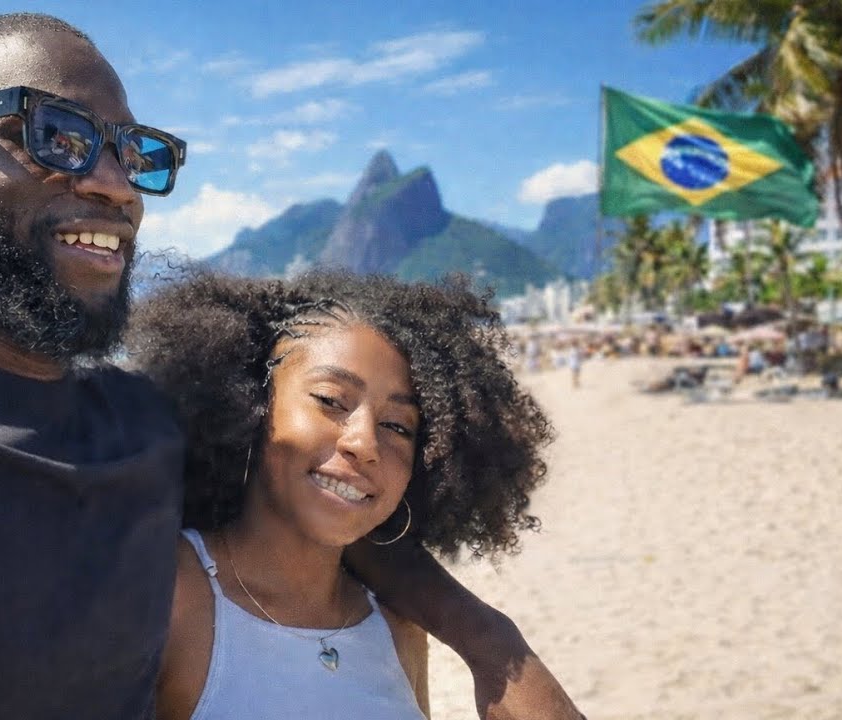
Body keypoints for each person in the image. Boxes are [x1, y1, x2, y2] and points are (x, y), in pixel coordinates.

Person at [0, 12, 579, 720]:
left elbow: (325, 495)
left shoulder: (152, 427)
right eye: (56, 136)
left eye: (138, 153)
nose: (115, 184)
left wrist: (482, 635)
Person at [129, 271, 567, 719]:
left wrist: (491, 638)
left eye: (398, 426)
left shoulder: (397, 627)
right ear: (251, 407)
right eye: (331, 401)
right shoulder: (169, 593)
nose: (365, 443)